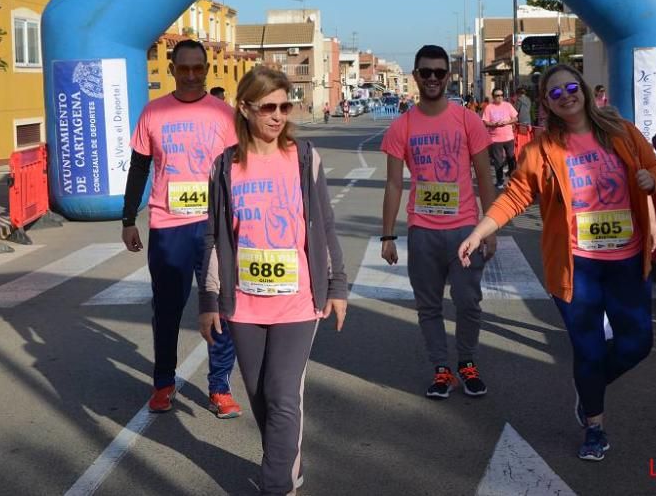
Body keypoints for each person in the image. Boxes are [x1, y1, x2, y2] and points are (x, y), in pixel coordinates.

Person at [458, 64, 656, 462]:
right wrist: (479, 231)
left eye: (572, 86)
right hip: (576, 266)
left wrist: (651, 181)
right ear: (547, 104)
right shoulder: (541, 150)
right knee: (587, 350)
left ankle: (590, 387)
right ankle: (594, 425)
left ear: (584, 90)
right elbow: (515, 196)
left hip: (626, 260)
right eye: (555, 93)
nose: (566, 95)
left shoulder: (621, 132)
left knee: (638, 343)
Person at [197, 67, 348, 495]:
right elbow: (214, 237)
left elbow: (325, 226)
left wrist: (337, 287)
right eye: (268, 107)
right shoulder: (224, 166)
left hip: (298, 301)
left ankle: (276, 485)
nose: (278, 116)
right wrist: (209, 300)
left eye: (285, 106)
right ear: (245, 109)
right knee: (261, 397)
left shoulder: (304, 158)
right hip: (243, 302)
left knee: (283, 394)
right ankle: (286, 465)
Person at [121, 39, 241, 418]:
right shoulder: (153, 113)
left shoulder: (224, 115)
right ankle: (163, 383)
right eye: (183, 68)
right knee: (168, 310)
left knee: (221, 308)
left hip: (215, 226)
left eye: (198, 68)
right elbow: (139, 167)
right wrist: (128, 219)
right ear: (171, 69)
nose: (191, 75)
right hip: (168, 226)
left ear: (207, 69)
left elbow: (238, 172)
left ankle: (219, 387)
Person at [381, 45, 498, 399]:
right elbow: (392, 183)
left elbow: (485, 176)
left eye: (439, 72)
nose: (432, 78)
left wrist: (491, 228)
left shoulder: (467, 120)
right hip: (422, 232)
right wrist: (387, 235)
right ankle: (441, 369)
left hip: (465, 229)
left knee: (467, 302)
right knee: (428, 306)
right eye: (425, 72)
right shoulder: (402, 126)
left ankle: (467, 362)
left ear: (448, 76)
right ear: (415, 76)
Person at [481, 88, 519, 188]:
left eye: (501, 95)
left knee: (511, 158)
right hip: (495, 139)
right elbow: (485, 121)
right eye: (498, 96)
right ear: (493, 97)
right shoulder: (489, 107)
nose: (500, 97)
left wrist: (507, 122)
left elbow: (515, 118)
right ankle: (500, 181)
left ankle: (513, 179)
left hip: (508, 137)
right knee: (498, 161)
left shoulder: (508, 105)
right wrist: (494, 124)